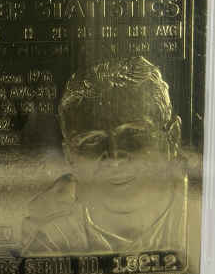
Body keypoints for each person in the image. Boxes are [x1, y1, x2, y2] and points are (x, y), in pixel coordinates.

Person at [22, 57, 187, 258]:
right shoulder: (50, 240)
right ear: (70, 156)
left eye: (133, 134)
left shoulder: (206, 221)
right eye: (92, 141)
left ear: (173, 137)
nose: (114, 158)